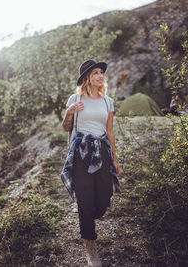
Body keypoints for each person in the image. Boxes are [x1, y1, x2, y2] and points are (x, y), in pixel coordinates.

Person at [61, 59, 121, 267]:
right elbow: (65, 127)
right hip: (81, 154)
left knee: (104, 198)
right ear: (87, 77)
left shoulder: (108, 102)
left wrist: (114, 158)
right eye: (95, 72)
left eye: (101, 72)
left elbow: (110, 131)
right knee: (85, 201)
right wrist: (69, 112)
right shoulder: (75, 98)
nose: (100, 75)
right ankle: (90, 247)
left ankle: (90, 215)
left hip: (102, 152)